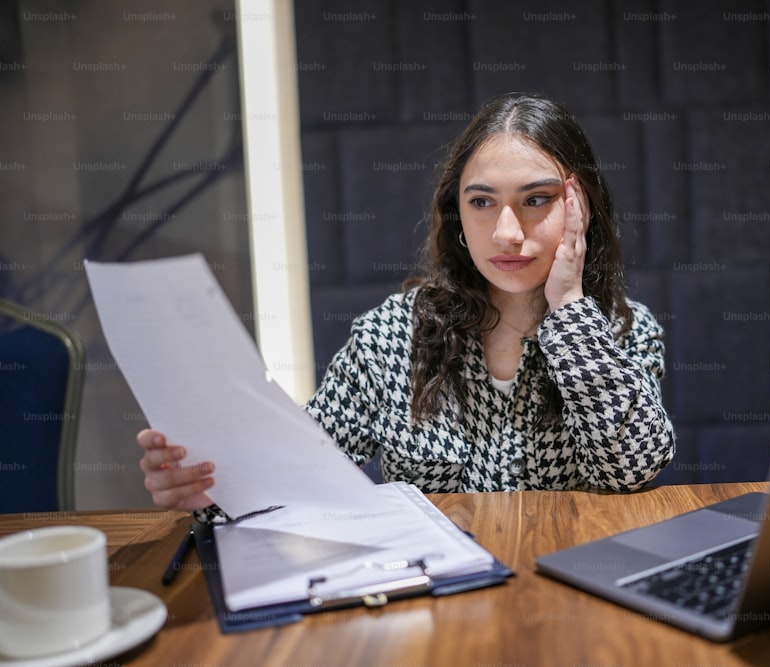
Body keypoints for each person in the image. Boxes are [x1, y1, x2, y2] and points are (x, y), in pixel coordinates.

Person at [138, 92, 676, 520]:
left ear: (579, 207)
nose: (507, 232)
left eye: (536, 200)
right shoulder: (391, 336)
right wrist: (212, 491)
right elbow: (295, 477)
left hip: (570, 602)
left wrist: (570, 311)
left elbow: (632, 468)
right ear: (458, 217)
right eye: (482, 202)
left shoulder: (622, 329)